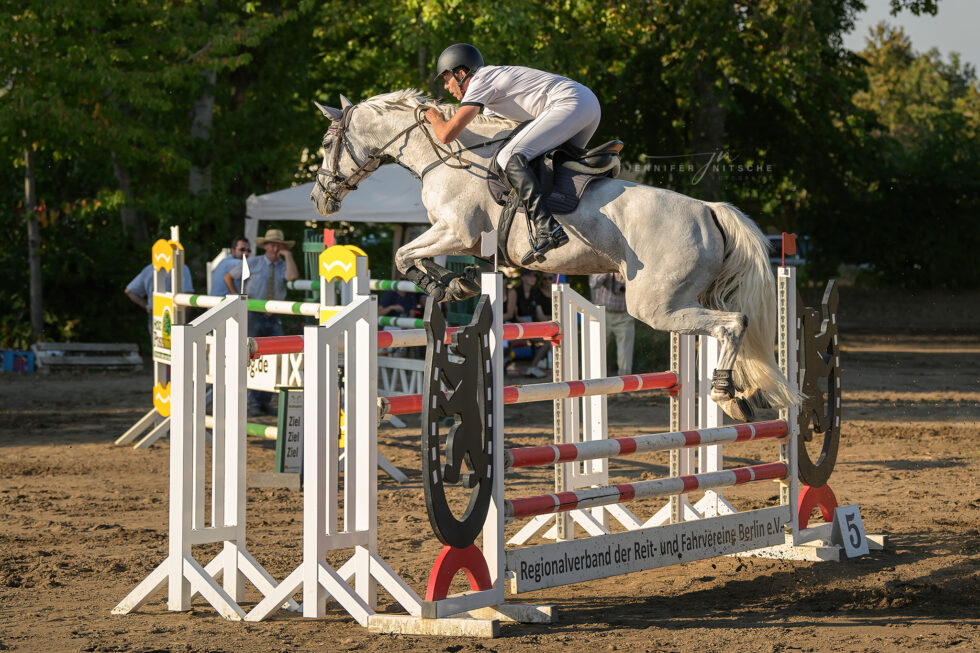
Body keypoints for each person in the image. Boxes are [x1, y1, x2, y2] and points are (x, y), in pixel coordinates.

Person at [425, 43, 601, 265]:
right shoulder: (490, 88)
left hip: (570, 102)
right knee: (542, 164)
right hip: (586, 106)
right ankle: (568, 222)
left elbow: (446, 135)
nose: (446, 87)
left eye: (446, 79)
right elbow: (489, 132)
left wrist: (436, 119)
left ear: (461, 74)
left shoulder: (480, 80)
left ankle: (547, 228)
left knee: (508, 156)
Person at [226, 228, 300, 416]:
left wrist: (288, 255)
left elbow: (292, 277)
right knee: (252, 357)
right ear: (265, 246)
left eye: (279, 246)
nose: (276, 249)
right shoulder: (254, 262)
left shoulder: (283, 265)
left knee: (274, 357)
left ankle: (264, 401)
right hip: (254, 314)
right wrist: (238, 297)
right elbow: (229, 277)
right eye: (273, 245)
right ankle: (253, 402)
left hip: (273, 315)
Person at [125, 262, 194, 334]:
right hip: (174, 314)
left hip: (155, 314)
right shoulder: (181, 267)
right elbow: (187, 295)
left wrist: (147, 306)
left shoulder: (149, 269)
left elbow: (129, 291)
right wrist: (184, 323)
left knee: (157, 340)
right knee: (177, 340)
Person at [590, 272, 634, 376]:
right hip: (602, 314)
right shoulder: (604, 266)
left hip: (624, 315)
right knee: (597, 350)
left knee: (625, 354)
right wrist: (607, 272)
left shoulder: (631, 268)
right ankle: (595, 380)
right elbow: (593, 284)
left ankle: (625, 382)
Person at [514, 269, 551, 378]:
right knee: (548, 340)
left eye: (535, 276)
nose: (533, 278)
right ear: (523, 278)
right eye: (530, 276)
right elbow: (515, 315)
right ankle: (533, 366)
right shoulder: (515, 292)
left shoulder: (535, 293)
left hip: (530, 325)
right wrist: (529, 326)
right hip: (516, 326)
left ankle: (533, 366)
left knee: (549, 339)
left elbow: (539, 315)